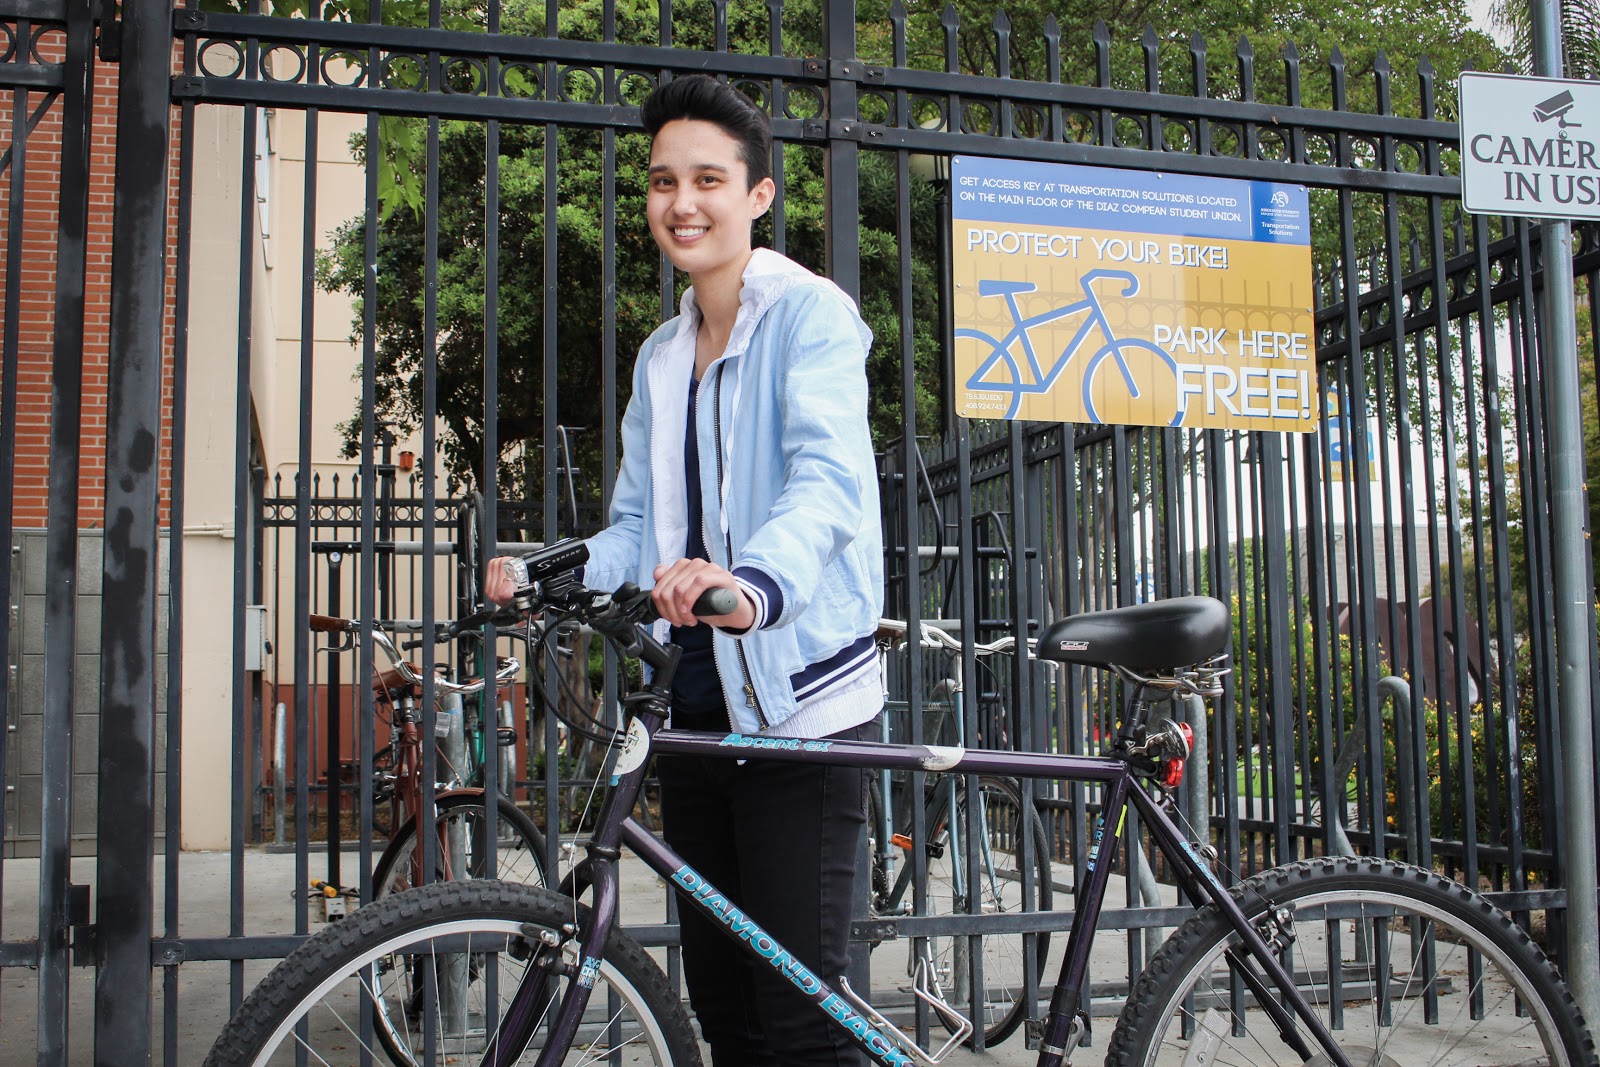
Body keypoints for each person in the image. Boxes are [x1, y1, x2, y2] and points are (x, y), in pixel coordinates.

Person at [485, 74, 882, 1067]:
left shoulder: (811, 318)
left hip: (798, 698)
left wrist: (752, 581)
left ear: (757, 195)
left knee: (802, 1019)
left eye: (708, 178)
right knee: (725, 1010)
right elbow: (633, 530)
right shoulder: (664, 356)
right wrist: (544, 567)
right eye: (663, 181)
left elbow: (828, 481)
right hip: (695, 699)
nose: (681, 202)